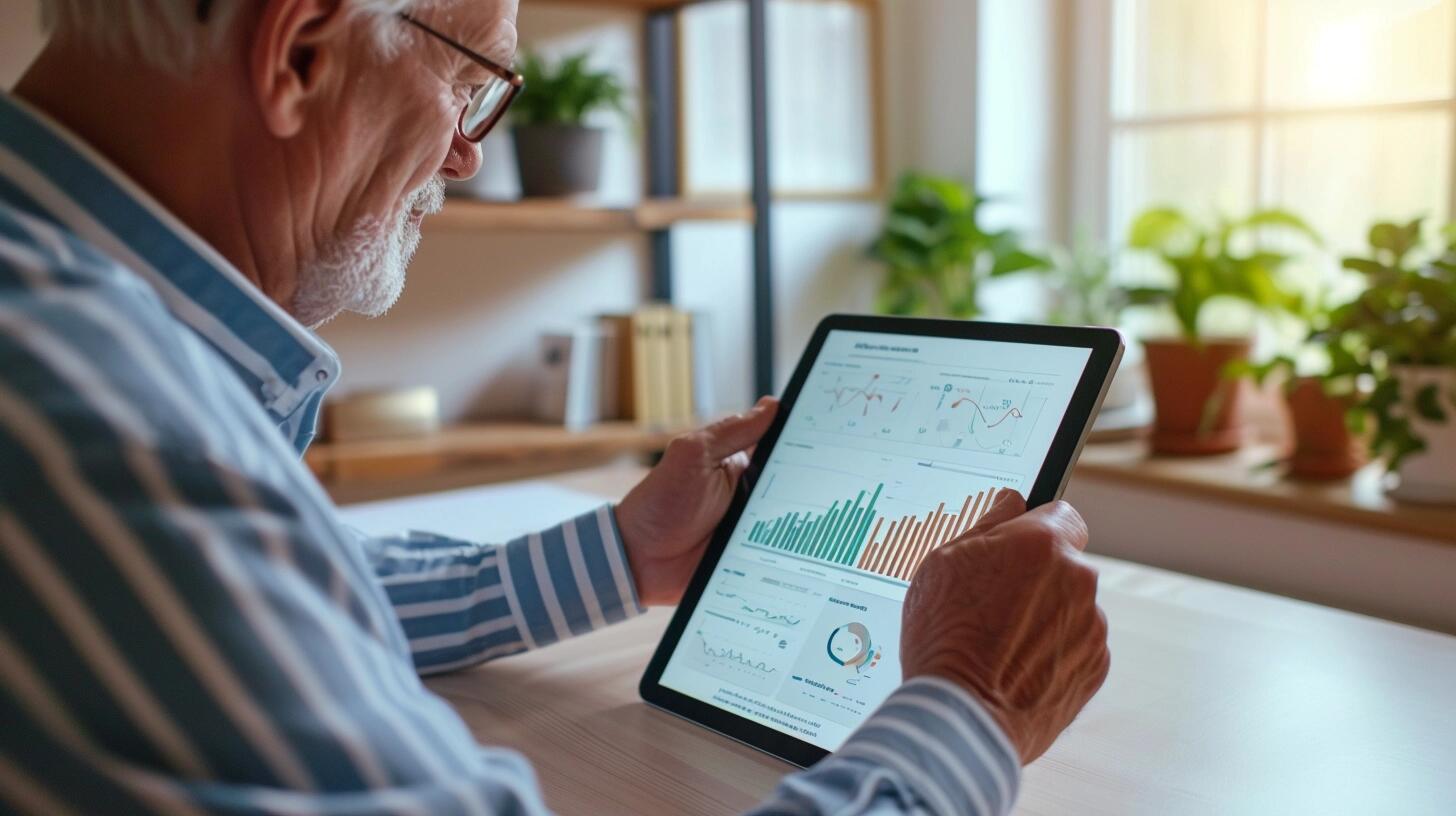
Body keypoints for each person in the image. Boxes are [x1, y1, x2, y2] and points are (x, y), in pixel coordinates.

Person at [0, 1, 1110, 813]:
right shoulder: (98, 416)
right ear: (298, 49)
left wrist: (620, 554)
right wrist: (971, 702)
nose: (469, 155)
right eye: (469, 82)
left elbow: (242, 595)